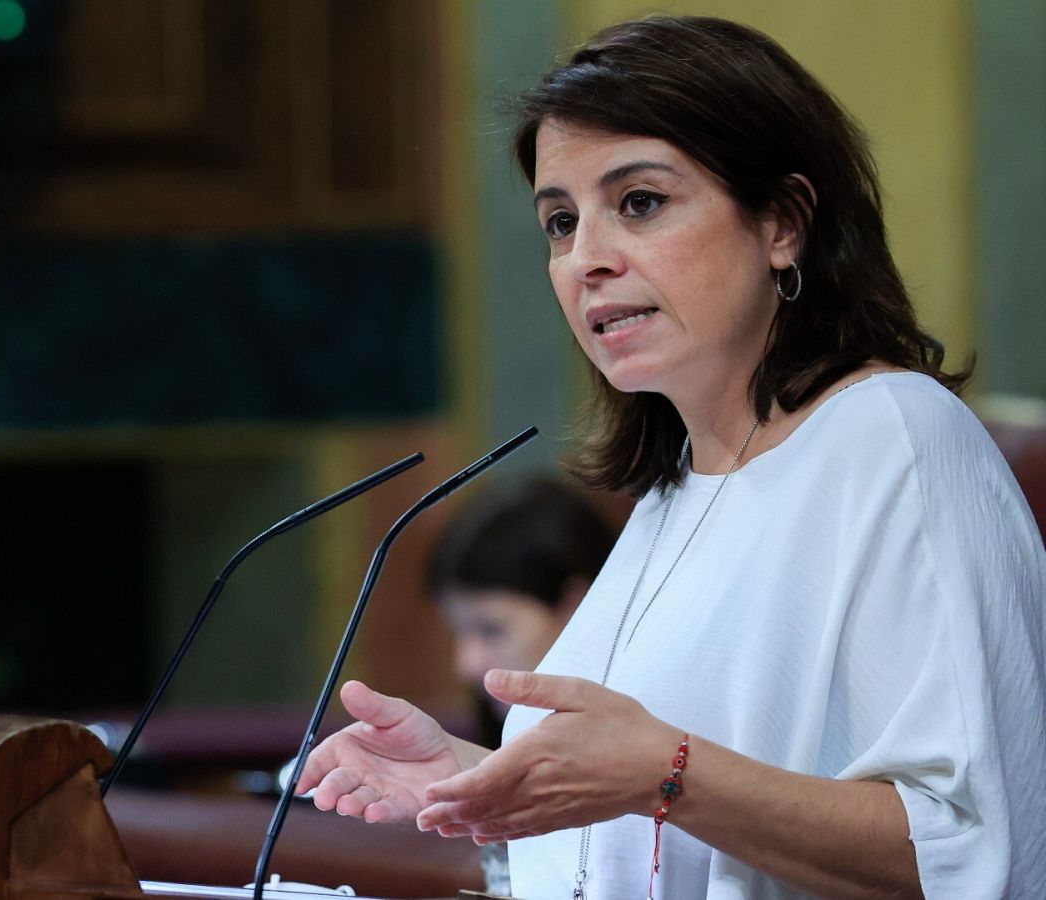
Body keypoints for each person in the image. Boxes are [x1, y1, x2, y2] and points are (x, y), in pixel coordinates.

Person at [296, 15, 1046, 899]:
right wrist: (479, 784)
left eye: (640, 203)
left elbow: (972, 849)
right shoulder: (675, 489)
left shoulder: (894, 440)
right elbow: (670, 801)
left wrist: (666, 772)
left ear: (783, 222)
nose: (586, 259)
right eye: (560, 222)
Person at [427, 477, 618, 746]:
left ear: (575, 606)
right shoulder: (464, 744)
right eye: (458, 632)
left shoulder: (663, 741)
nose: (467, 665)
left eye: (491, 630)